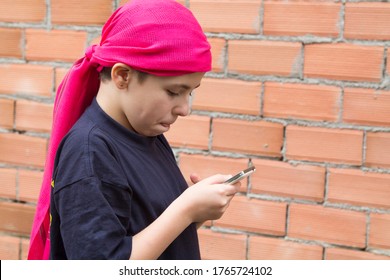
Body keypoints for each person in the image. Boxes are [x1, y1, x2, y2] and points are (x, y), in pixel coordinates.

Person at [28, 0, 240, 260]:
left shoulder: (147, 134)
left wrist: (197, 209)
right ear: (122, 76)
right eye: (174, 91)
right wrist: (185, 209)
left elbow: (151, 237)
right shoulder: (89, 153)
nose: (184, 109)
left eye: (190, 92)